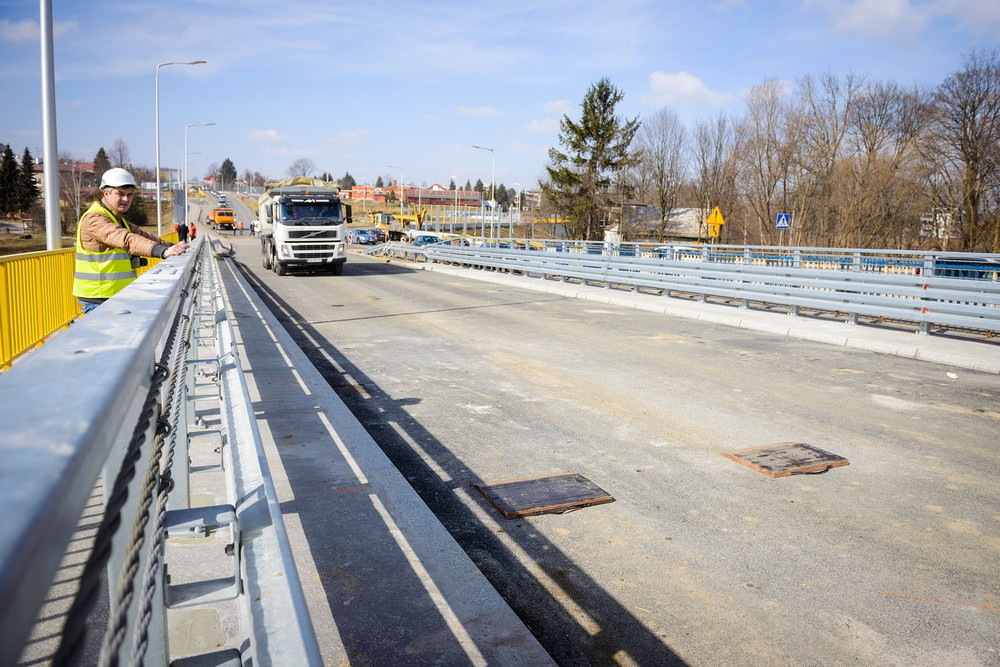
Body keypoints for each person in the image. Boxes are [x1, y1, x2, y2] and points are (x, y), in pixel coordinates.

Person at [73, 168, 189, 314]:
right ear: (106, 193)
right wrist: (163, 252)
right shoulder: (95, 219)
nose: (126, 200)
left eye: (129, 195)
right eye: (120, 194)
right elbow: (126, 240)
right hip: (98, 298)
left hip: (114, 296)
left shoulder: (117, 219)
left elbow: (144, 237)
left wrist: (174, 247)